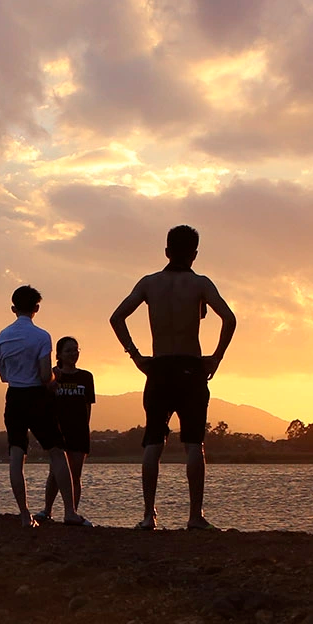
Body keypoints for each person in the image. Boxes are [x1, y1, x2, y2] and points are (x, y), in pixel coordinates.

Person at [108, 224, 237, 530]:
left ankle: (148, 515)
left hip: (160, 367)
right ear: (194, 254)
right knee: (194, 444)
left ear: (166, 252)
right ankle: (195, 516)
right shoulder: (201, 285)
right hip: (191, 367)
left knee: (154, 442)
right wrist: (216, 357)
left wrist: (136, 355)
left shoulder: (150, 283)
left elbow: (117, 317)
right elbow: (229, 319)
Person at [0, 286, 90, 528]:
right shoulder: (41, 336)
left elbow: (2, 374)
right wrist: (54, 384)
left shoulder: (2, 337)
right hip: (36, 396)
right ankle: (70, 511)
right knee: (57, 451)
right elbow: (46, 374)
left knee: (17, 454)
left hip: (14, 396)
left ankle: (25, 515)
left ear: (13, 308)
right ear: (37, 308)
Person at [38, 335, 94, 522]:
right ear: (59, 354)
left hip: (79, 431)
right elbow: (45, 401)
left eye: (76, 349)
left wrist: (85, 428)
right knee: (55, 473)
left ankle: (72, 512)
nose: (73, 353)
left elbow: (88, 406)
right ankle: (47, 510)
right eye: (68, 350)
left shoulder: (86, 377)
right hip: (58, 430)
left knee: (75, 474)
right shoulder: (52, 375)